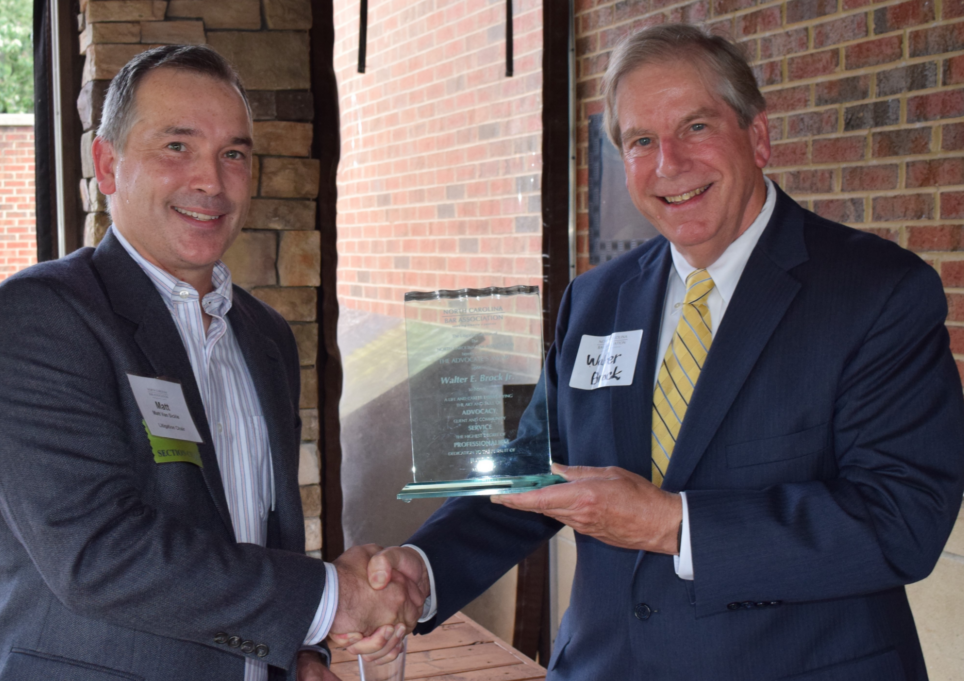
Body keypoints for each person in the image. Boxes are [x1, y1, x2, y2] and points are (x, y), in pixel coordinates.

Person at [365, 24, 964, 680]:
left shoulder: (877, 291)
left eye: (697, 127)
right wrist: (420, 570)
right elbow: (529, 473)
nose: (668, 164)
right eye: (642, 141)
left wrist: (671, 523)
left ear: (758, 137)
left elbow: (902, 521)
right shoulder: (596, 298)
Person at [0, 45, 416, 681]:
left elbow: (257, 537)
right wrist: (331, 598)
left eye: (233, 153)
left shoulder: (266, 338)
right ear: (107, 164)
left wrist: (298, 652)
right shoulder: (42, 319)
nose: (211, 180)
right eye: (177, 146)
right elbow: (98, 554)